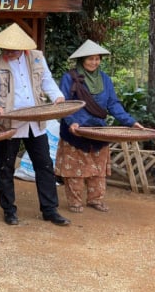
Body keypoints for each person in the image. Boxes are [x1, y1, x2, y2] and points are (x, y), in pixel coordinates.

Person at [0, 23, 71, 226]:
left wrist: (57, 96)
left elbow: (47, 80)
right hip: (9, 124)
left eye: (13, 49)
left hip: (35, 122)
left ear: (23, 48)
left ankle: (50, 210)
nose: (9, 52)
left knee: (45, 165)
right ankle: (9, 210)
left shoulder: (36, 57)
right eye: (6, 49)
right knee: (5, 167)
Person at [55, 40, 143, 213]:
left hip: (98, 131)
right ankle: (75, 202)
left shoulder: (105, 79)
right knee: (74, 169)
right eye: (90, 59)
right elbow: (63, 104)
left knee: (98, 169)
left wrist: (131, 122)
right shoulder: (69, 77)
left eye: (97, 59)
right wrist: (71, 121)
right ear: (82, 59)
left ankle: (96, 199)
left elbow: (113, 104)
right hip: (75, 131)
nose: (94, 62)